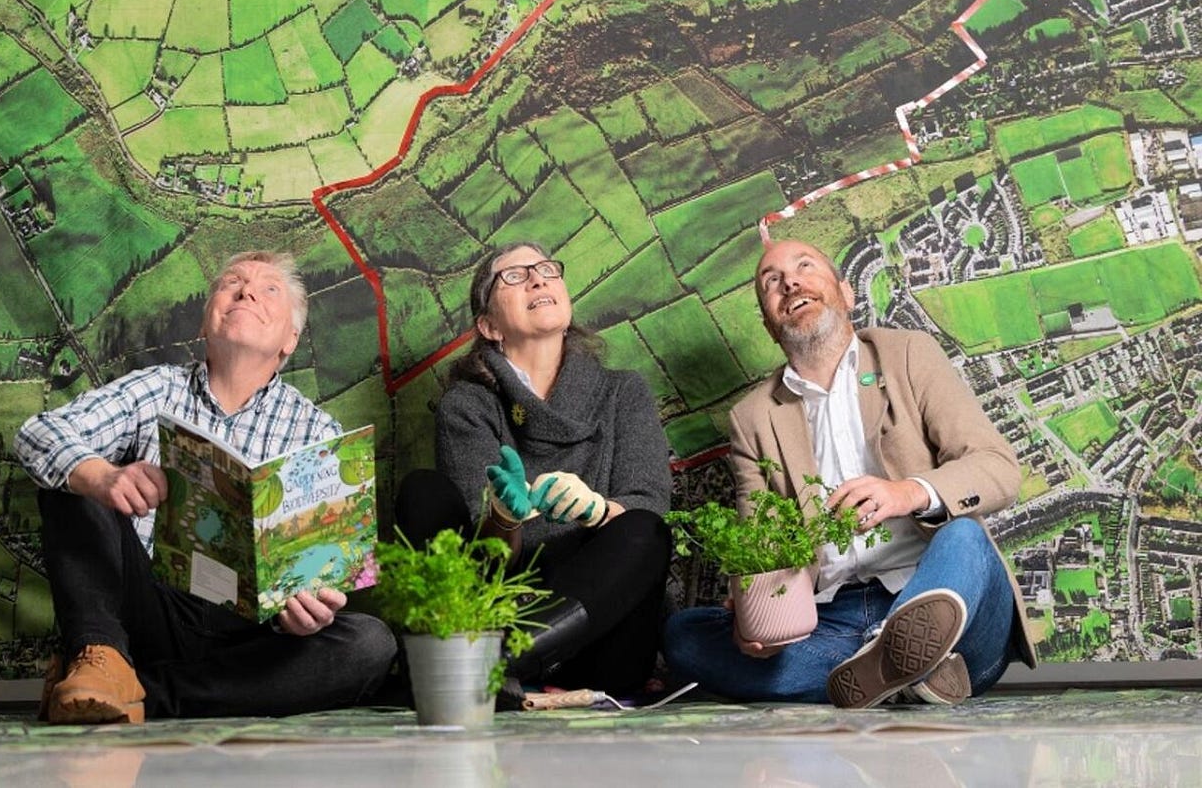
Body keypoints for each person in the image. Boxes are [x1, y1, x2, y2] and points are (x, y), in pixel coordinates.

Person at [17, 250, 396, 723]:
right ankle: (102, 658)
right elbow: (39, 433)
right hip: (149, 608)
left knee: (369, 644)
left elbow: (322, 571)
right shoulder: (157, 388)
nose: (247, 291)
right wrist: (104, 476)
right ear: (204, 323)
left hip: (253, 636)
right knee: (73, 479)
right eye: (231, 283)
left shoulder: (319, 433)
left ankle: (137, 693)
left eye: (269, 289)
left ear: (290, 340)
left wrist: (307, 610)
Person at [664, 240, 1037, 707]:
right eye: (771, 281)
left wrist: (907, 493)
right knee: (685, 635)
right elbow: (762, 545)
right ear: (769, 325)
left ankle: (886, 660)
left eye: (804, 267)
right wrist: (756, 614)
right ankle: (907, 672)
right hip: (831, 620)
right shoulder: (753, 417)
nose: (790, 282)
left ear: (846, 292)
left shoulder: (908, 354)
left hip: (942, 594)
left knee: (965, 537)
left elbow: (998, 467)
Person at [396, 241, 673, 698]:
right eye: (514, 275)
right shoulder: (466, 406)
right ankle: (479, 664)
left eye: (546, 269)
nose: (537, 278)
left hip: (601, 637)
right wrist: (503, 518)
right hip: (501, 610)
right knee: (422, 490)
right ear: (489, 326)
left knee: (645, 528)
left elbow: (650, 503)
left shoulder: (624, 391)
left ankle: (475, 669)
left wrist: (598, 511)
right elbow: (481, 562)